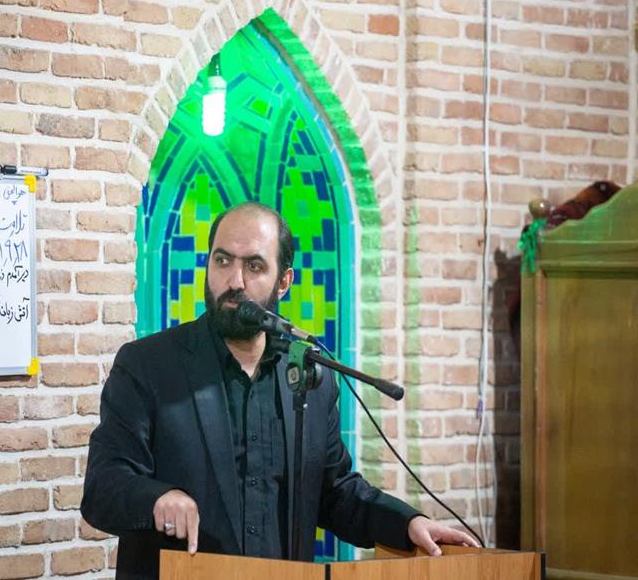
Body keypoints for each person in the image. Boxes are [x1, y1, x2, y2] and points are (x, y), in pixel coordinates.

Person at [81, 202, 478, 580]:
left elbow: (334, 492)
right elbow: (102, 487)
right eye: (222, 261)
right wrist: (157, 498)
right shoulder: (148, 365)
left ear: (284, 281)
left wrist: (407, 523)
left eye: (254, 266)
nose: (234, 281)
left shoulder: (309, 376)